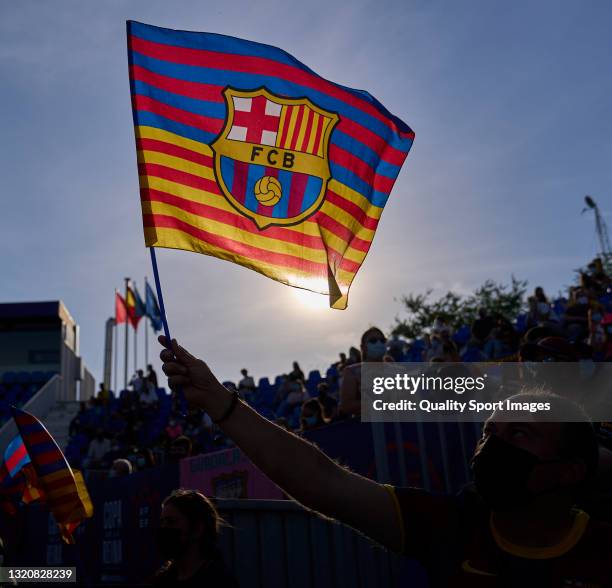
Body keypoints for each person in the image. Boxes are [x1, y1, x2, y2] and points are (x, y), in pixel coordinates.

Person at [159, 337, 612, 587]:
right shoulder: (449, 526)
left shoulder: (603, 549)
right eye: (490, 432)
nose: (493, 446)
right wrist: (218, 401)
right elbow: (323, 482)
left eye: (519, 433)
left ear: (571, 469)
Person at [152, 488, 238, 587]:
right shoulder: (162, 580)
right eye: (162, 522)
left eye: (171, 522)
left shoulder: (219, 581)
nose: (164, 529)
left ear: (197, 529)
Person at [339, 327, 386, 416]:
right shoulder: (352, 372)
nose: (379, 343)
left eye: (382, 340)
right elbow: (347, 406)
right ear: (363, 347)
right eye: (373, 340)